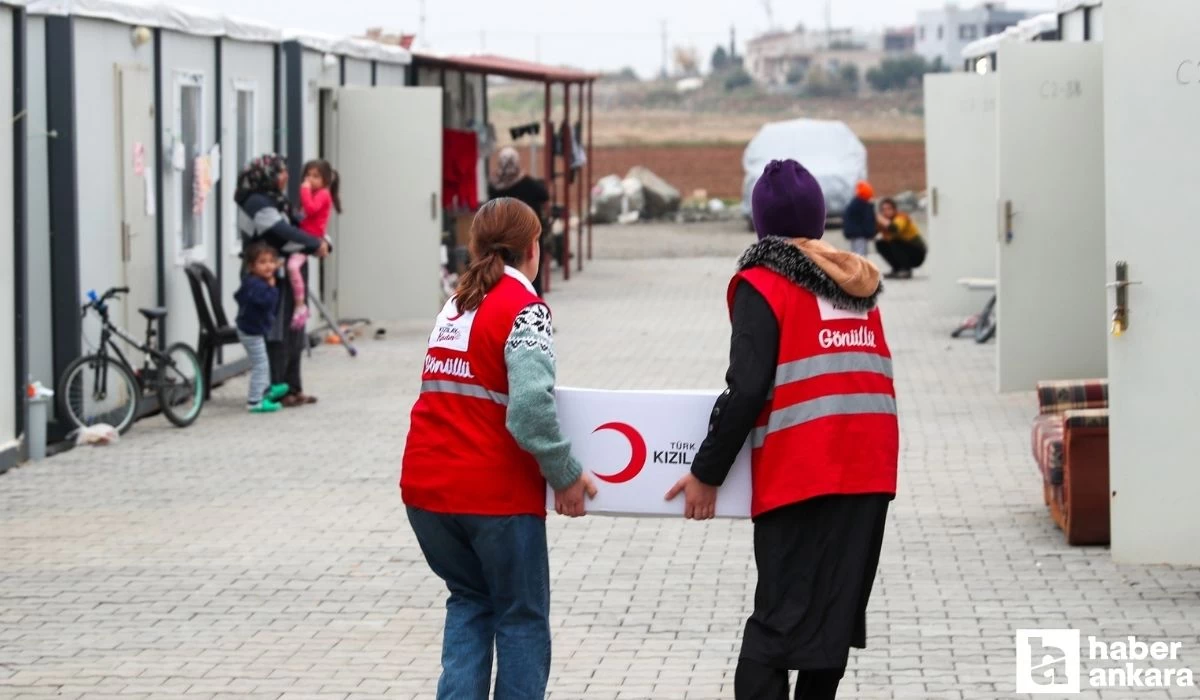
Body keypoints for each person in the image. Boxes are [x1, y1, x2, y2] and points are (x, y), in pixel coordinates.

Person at [665, 159, 898, 700]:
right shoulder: (856, 283)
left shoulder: (762, 283)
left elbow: (746, 388)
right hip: (870, 474)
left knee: (774, 628)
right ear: (819, 218)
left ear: (759, 222)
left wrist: (706, 472)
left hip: (804, 476)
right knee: (830, 627)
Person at [400, 197, 597, 699]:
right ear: (534, 249)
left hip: (427, 495)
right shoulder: (526, 312)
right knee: (521, 618)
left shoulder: (455, 304)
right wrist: (567, 474)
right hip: (494, 500)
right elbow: (530, 411)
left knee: (470, 601)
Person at [234, 154, 330, 407]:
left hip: (282, 274)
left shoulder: (275, 200)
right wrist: (314, 244)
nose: (286, 176)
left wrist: (320, 241)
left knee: (293, 332)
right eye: (280, 171)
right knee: (276, 334)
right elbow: (280, 231)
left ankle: (292, 387)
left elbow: (298, 224)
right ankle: (277, 388)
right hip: (265, 278)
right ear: (266, 175)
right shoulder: (256, 202)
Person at [234, 241, 289, 413]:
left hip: (253, 329)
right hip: (251, 331)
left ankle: (265, 390)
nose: (269, 266)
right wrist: (272, 288)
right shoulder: (257, 285)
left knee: (263, 361)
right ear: (251, 266)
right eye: (262, 262)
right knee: (261, 364)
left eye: (271, 262)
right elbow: (267, 302)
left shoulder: (253, 281)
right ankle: (255, 401)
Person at [487, 147, 550, 296]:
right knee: (531, 272)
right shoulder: (527, 183)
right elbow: (544, 195)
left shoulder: (494, 186)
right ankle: (531, 301)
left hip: (502, 237)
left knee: (506, 271)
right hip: (528, 234)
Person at [286, 160, 341, 330]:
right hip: (306, 235)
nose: (310, 180)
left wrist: (304, 189)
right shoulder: (316, 193)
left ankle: (300, 305)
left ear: (325, 180)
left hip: (311, 238)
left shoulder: (323, 194)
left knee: (292, 266)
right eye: (308, 175)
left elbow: (310, 209)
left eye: (315, 176)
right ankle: (300, 304)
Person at [874, 197, 926, 279]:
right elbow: (871, 233)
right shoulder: (883, 222)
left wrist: (881, 219)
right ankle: (897, 269)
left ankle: (906, 270)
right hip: (902, 249)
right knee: (880, 243)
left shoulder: (901, 217)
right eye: (883, 209)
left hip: (916, 252)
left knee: (894, 241)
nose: (886, 212)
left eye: (889, 209)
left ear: (894, 209)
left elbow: (895, 228)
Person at [843, 180, 877, 257]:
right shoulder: (863, 205)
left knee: (855, 253)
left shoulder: (855, 203)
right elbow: (868, 220)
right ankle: (860, 268)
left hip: (854, 233)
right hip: (860, 234)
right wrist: (871, 232)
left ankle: (856, 267)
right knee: (861, 254)